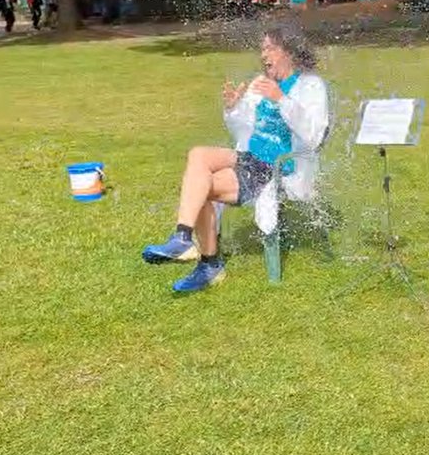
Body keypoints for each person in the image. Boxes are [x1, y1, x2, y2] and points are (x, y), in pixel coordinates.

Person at [141, 25, 330, 292]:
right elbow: (242, 129)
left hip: (276, 168)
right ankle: (182, 238)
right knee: (198, 155)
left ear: (289, 51)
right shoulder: (261, 82)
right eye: (262, 49)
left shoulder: (311, 86)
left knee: (204, 187)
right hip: (251, 157)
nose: (263, 55)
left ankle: (208, 263)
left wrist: (281, 99)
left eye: (270, 48)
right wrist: (233, 108)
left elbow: (314, 135)